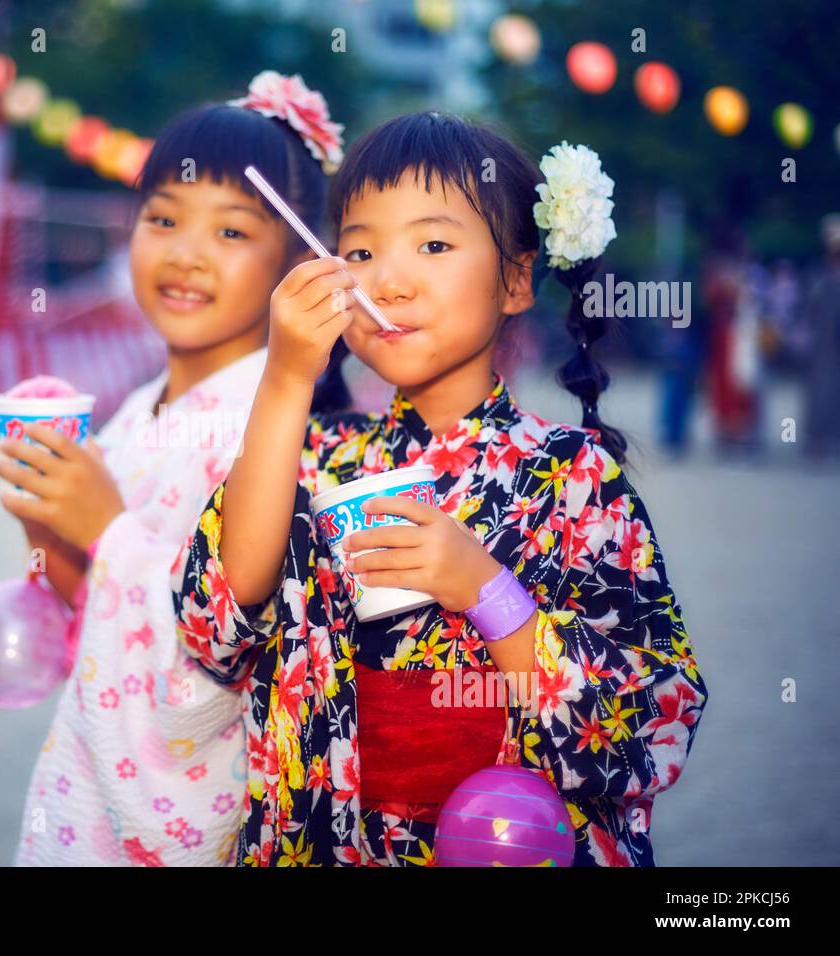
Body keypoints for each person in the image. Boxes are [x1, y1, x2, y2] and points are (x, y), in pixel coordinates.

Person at [174, 112, 709, 866]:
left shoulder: (573, 475)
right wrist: (286, 376)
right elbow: (215, 624)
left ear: (516, 280)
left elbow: (658, 715)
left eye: (432, 243)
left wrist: (485, 588)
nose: (386, 280)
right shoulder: (313, 454)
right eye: (358, 250)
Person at [0, 72, 347, 865]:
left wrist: (103, 526)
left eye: (232, 233)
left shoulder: (269, 427)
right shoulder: (142, 403)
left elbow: (216, 667)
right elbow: (92, 613)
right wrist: (39, 505)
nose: (186, 254)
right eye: (163, 218)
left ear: (297, 260)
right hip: (92, 786)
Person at [801, 214, 840, 459]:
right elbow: (809, 310)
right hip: (824, 344)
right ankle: (817, 438)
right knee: (821, 391)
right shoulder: (819, 276)